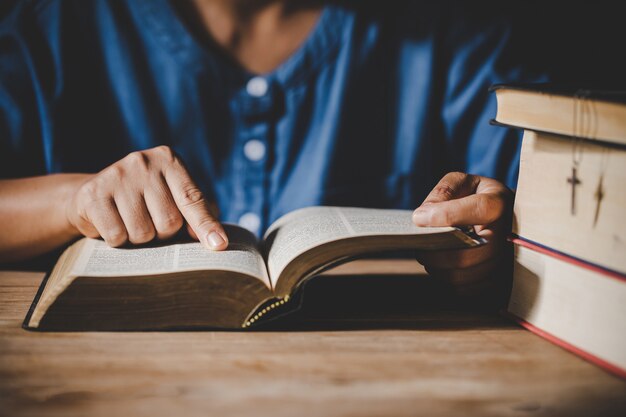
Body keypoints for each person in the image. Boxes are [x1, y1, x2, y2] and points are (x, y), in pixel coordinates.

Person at [0, 0, 557, 295]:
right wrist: (72, 200)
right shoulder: (53, 28)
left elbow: (544, 206)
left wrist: (494, 234)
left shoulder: (456, 33)